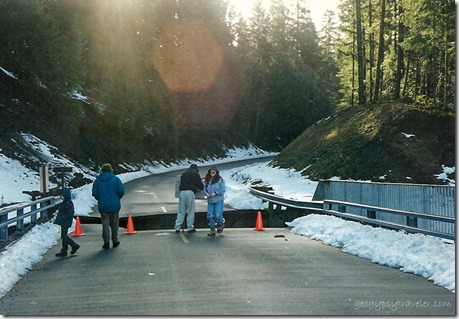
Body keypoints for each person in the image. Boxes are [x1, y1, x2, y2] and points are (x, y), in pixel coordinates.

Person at [92, 163, 125, 249]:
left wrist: (100, 198)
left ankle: (106, 242)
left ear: (102, 170)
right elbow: (121, 191)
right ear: (111, 170)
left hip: (103, 205)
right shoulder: (116, 179)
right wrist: (117, 198)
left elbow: (94, 193)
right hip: (114, 205)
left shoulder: (98, 181)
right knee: (115, 223)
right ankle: (115, 240)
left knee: (105, 224)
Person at [174, 163, 204, 233]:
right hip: (190, 193)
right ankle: (190, 227)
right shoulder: (195, 174)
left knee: (181, 210)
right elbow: (201, 185)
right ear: (196, 169)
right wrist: (197, 189)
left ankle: (177, 226)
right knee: (190, 210)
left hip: (182, 192)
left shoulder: (184, 174)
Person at [54, 188, 80, 257]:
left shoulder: (68, 203)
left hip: (65, 221)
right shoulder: (66, 202)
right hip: (64, 221)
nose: (61, 197)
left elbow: (69, 213)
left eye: (61, 195)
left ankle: (74, 245)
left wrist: (63, 218)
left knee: (63, 236)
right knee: (64, 235)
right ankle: (64, 250)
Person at [203, 166, 226, 236]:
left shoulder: (220, 180)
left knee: (217, 214)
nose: (212, 173)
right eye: (211, 172)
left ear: (216, 173)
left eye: (213, 172)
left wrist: (215, 193)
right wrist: (206, 193)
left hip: (218, 199)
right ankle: (212, 229)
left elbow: (223, 189)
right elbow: (203, 188)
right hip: (210, 200)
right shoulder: (207, 180)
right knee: (210, 215)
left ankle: (221, 223)